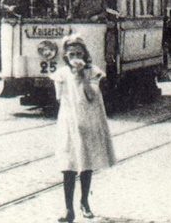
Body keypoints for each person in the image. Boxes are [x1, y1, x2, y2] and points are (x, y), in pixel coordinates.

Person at [53, 35, 116, 223]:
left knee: (86, 163)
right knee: (68, 165)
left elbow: (92, 96)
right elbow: (59, 97)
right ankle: (68, 209)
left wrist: (81, 76)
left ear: (85, 54)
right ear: (66, 55)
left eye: (79, 53)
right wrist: (70, 79)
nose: (75, 57)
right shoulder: (61, 74)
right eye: (71, 54)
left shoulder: (93, 72)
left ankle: (85, 202)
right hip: (69, 122)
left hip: (88, 120)